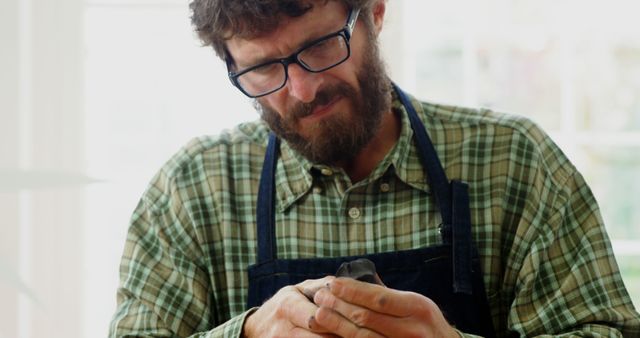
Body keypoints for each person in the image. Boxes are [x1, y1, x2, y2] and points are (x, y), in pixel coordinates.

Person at [109, 0, 640, 337]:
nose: (301, 89)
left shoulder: (516, 162)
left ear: (375, 12)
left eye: (318, 47)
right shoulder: (191, 190)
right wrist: (247, 334)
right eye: (264, 68)